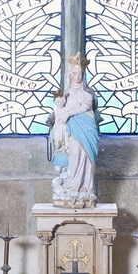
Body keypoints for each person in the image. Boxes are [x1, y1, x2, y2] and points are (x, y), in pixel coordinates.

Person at [49, 54, 99, 207]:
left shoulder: (88, 94)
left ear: (84, 76)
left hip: (88, 129)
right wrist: (54, 118)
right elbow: (59, 108)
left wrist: (69, 113)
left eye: (80, 74)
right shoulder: (66, 93)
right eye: (75, 73)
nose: (77, 77)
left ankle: (86, 187)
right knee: (75, 153)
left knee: (87, 157)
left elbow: (85, 107)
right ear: (69, 75)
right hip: (72, 129)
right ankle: (73, 183)